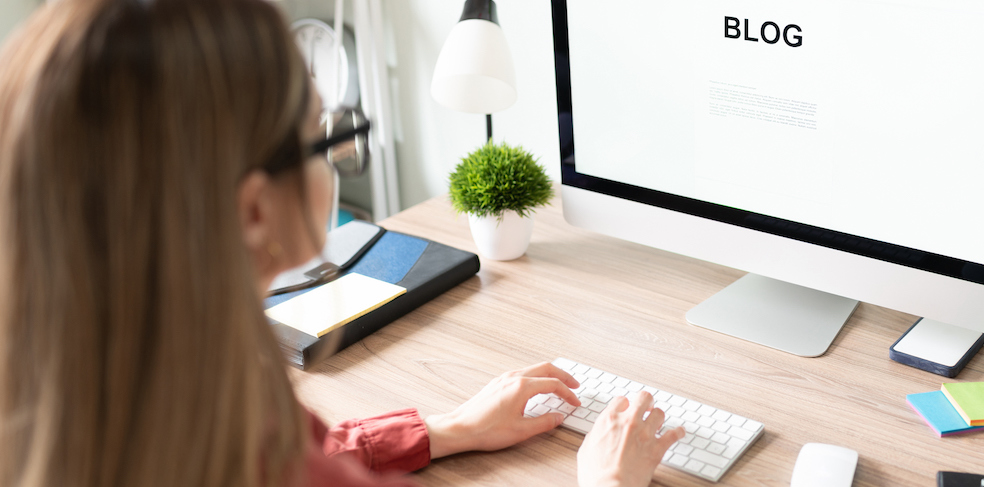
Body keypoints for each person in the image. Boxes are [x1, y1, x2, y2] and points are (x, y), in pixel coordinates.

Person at [0, 1, 684, 486]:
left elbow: (290, 450)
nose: (337, 152)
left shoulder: (127, 395)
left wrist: (447, 428)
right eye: (324, 135)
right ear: (254, 211)